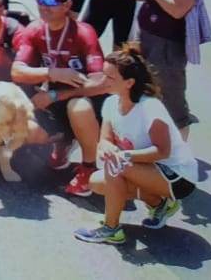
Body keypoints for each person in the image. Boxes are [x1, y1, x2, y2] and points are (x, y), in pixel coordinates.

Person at [74, 44, 199, 245]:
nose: (103, 81)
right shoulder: (111, 103)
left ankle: (111, 229)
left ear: (129, 83)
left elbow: (162, 151)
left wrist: (124, 156)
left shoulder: (150, 108)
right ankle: (159, 204)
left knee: (116, 166)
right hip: (146, 169)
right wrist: (107, 149)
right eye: (103, 75)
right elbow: (104, 139)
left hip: (179, 177)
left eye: (110, 78)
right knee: (97, 181)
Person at [12, 0, 109, 197]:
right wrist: (52, 73)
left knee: (78, 107)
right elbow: (17, 72)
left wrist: (57, 94)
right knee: (28, 132)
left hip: (86, 101)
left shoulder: (84, 32)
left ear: (67, 5)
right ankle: (63, 142)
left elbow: (100, 83)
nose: (44, 6)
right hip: (53, 99)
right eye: (40, 0)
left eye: (51, 1)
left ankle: (89, 167)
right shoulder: (34, 30)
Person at [124, 0, 199, 137]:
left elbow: (177, 9)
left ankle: (180, 152)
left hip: (166, 44)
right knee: (140, 91)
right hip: (143, 34)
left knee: (172, 104)